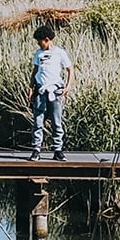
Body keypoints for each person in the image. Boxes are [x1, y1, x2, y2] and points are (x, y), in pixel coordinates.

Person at [28, 23, 73, 161]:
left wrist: (68, 86)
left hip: (55, 91)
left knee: (56, 121)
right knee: (38, 121)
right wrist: (31, 88)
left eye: (39, 41)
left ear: (47, 39)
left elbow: (70, 69)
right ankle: (36, 150)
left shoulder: (60, 53)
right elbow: (35, 70)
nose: (38, 44)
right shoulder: (39, 54)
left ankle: (58, 150)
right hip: (41, 90)